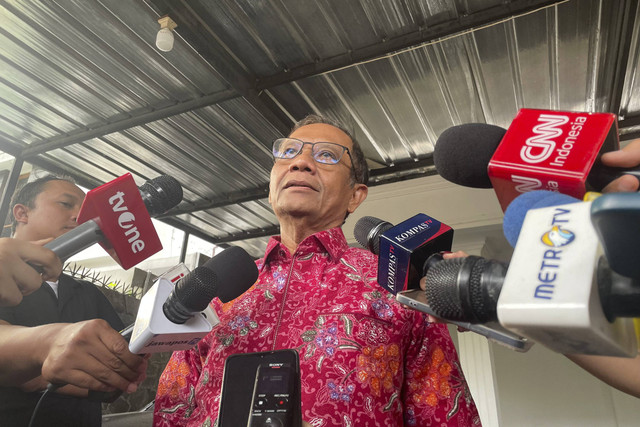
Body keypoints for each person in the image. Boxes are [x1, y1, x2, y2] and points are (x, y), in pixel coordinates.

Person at [154, 115, 481, 426]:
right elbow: (173, 402)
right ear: (271, 187)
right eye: (288, 152)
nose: (300, 162)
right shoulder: (219, 287)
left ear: (355, 196)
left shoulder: (397, 283)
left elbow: (443, 411)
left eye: (326, 155)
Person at [0, 175, 147, 427]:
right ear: (22, 213)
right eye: (66, 204)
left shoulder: (89, 292)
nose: (78, 217)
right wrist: (46, 350)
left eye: (83, 211)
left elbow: (122, 365)